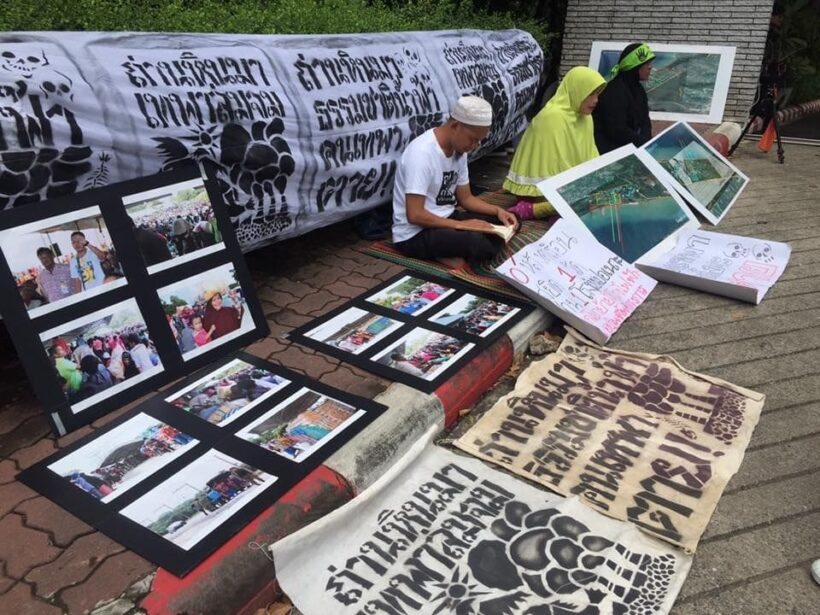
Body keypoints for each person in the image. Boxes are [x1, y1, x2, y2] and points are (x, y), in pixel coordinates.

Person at [391, 95, 518, 268]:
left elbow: (465, 199)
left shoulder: (460, 150)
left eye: (478, 141)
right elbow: (415, 215)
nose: (474, 146)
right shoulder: (422, 153)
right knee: (480, 245)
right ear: (455, 126)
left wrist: (497, 211)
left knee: (510, 221)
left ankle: (451, 252)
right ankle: (445, 253)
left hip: (446, 219)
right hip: (415, 234)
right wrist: (462, 226)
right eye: (473, 139)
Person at [504, 66, 607, 219]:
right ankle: (532, 209)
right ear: (576, 90)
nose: (595, 100)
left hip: (568, 186)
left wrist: (600, 180)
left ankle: (554, 208)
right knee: (585, 202)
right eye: (591, 94)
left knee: (610, 196)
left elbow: (591, 156)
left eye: (598, 94)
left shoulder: (586, 118)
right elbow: (556, 166)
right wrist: (584, 189)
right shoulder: (552, 117)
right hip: (539, 190)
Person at [593, 42, 655, 154]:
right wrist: (643, 144)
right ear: (634, 66)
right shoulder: (614, 91)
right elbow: (616, 130)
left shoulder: (638, 89)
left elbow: (645, 120)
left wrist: (647, 143)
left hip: (632, 147)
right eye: (646, 63)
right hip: (610, 151)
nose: (650, 67)